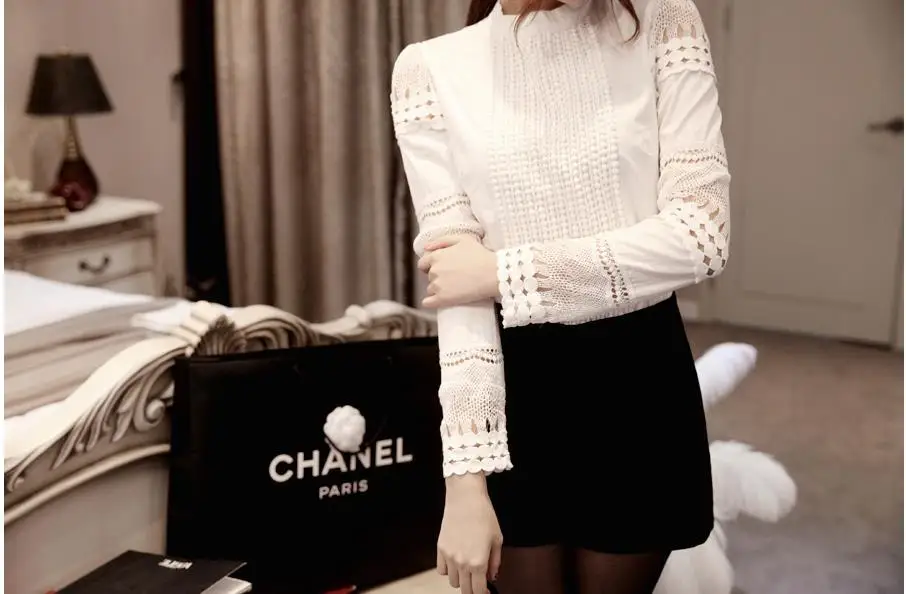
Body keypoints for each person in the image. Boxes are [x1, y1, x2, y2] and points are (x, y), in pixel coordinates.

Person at [389, 0, 729, 592]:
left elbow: (701, 235)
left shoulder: (663, 22)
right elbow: (460, 291)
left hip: (639, 385)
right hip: (511, 395)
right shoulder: (429, 69)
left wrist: (503, 273)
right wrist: (465, 480)